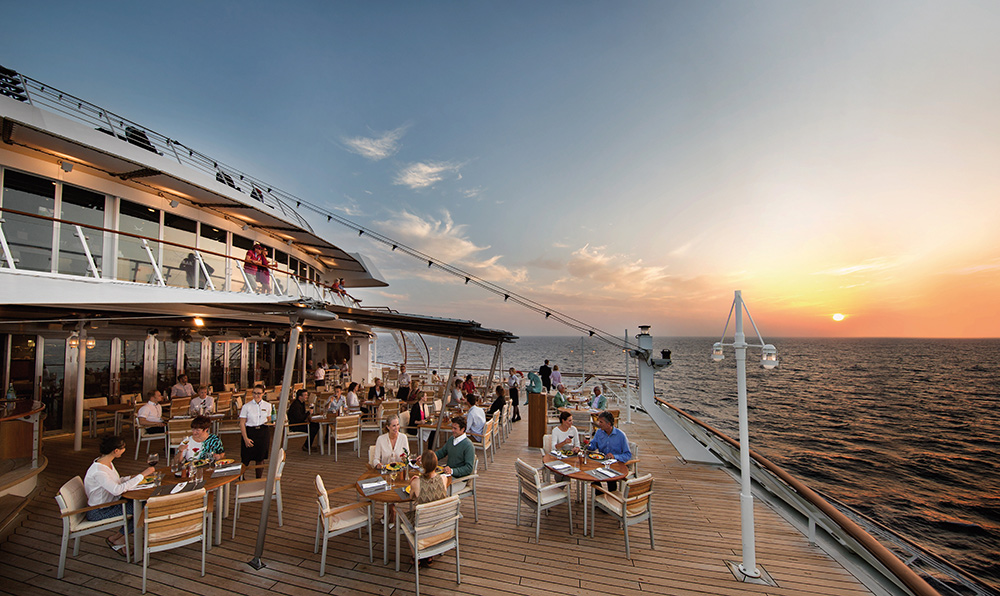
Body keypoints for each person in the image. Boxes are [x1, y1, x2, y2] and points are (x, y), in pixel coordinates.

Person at [84, 435, 155, 555]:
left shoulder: (104, 462)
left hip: (110, 504)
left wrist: (132, 477)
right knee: (143, 509)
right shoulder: (99, 471)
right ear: (116, 450)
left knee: (144, 504)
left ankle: (118, 537)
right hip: (99, 510)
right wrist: (142, 475)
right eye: (123, 448)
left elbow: (117, 481)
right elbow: (117, 490)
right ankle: (118, 537)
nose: (124, 450)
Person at [407, 450, 449, 566]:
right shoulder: (443, 479)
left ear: (423, 466)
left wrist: (414, 481)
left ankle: (416, 556)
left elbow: (411, 496)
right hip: (440, 521)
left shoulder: (416, 482)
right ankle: (429, 554)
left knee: (405, 521)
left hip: (423, 523)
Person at [584, 411, 632, 491]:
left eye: (601, 422)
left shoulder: (621, 436)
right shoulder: (599, 432)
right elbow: (593, 446)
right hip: (601, 462)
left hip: (615, 464)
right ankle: (600, 494)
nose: (598, 424)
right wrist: (587, 445)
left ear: (608, 424)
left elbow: (627, 455)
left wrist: (614, 456)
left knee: (611, 478)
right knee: (592, 474)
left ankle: (611, 495)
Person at [434, 415, 475, 492]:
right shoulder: (451, 439)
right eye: (452, 428)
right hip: (447, 476)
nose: (452, 430)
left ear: (463, 429)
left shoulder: (468, 445)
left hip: (459, 480)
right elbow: (441, 453)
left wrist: (452, 471)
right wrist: (427, 457)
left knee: (439, 491)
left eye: (455, 428)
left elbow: (469, 468)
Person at [239, 385, 272, 478]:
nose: (256, 395)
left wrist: (272, 423)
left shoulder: (268, 405)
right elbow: (242, 423)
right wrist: (245, 438)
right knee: (245, 458)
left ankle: (258, 478)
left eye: (258, 393)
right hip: (250, 431)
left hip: (263, 432)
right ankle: (241, 478)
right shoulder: (246, 406)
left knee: (260, 458)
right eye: (254, 393)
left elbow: (269, 419)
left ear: (263, 393)